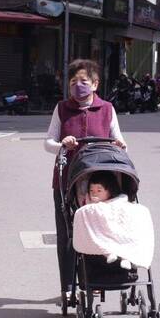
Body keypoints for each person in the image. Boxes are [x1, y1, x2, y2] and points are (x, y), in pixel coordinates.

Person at [44, 59, 127, 297]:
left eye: (83, 81)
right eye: (73, 82)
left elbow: (119, 140)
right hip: (66, 181)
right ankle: (67, 288)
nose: (78, 85)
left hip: (99, 184)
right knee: (67, 236)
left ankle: (95, 281)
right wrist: (61, 144)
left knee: (97, 231)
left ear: (95, 84)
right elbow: (47, 142)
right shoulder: (61, 109)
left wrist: (121, 145)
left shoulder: (107, 109)